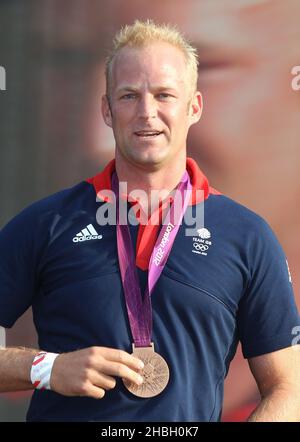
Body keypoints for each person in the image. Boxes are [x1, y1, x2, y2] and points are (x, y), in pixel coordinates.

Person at [0, 20, 299, 422]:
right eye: (128, 96)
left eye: (164, 95)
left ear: (194, 107)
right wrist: (49, 369)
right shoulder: (46, 223)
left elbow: (289, 388)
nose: (146, 113)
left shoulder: (247, 236)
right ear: (107, 109)